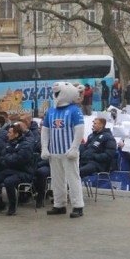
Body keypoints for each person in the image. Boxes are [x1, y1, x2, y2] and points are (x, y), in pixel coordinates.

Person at [41, 81, 85, 218]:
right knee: (56, 179)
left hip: (68, 152)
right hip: (54, 151)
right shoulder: (51, 111)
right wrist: (44, 147)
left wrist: (74, 148)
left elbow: (79, 130)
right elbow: (45, 130)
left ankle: (78, 206)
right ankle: (59, 204)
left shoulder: (74, 110)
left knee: (73, 179)